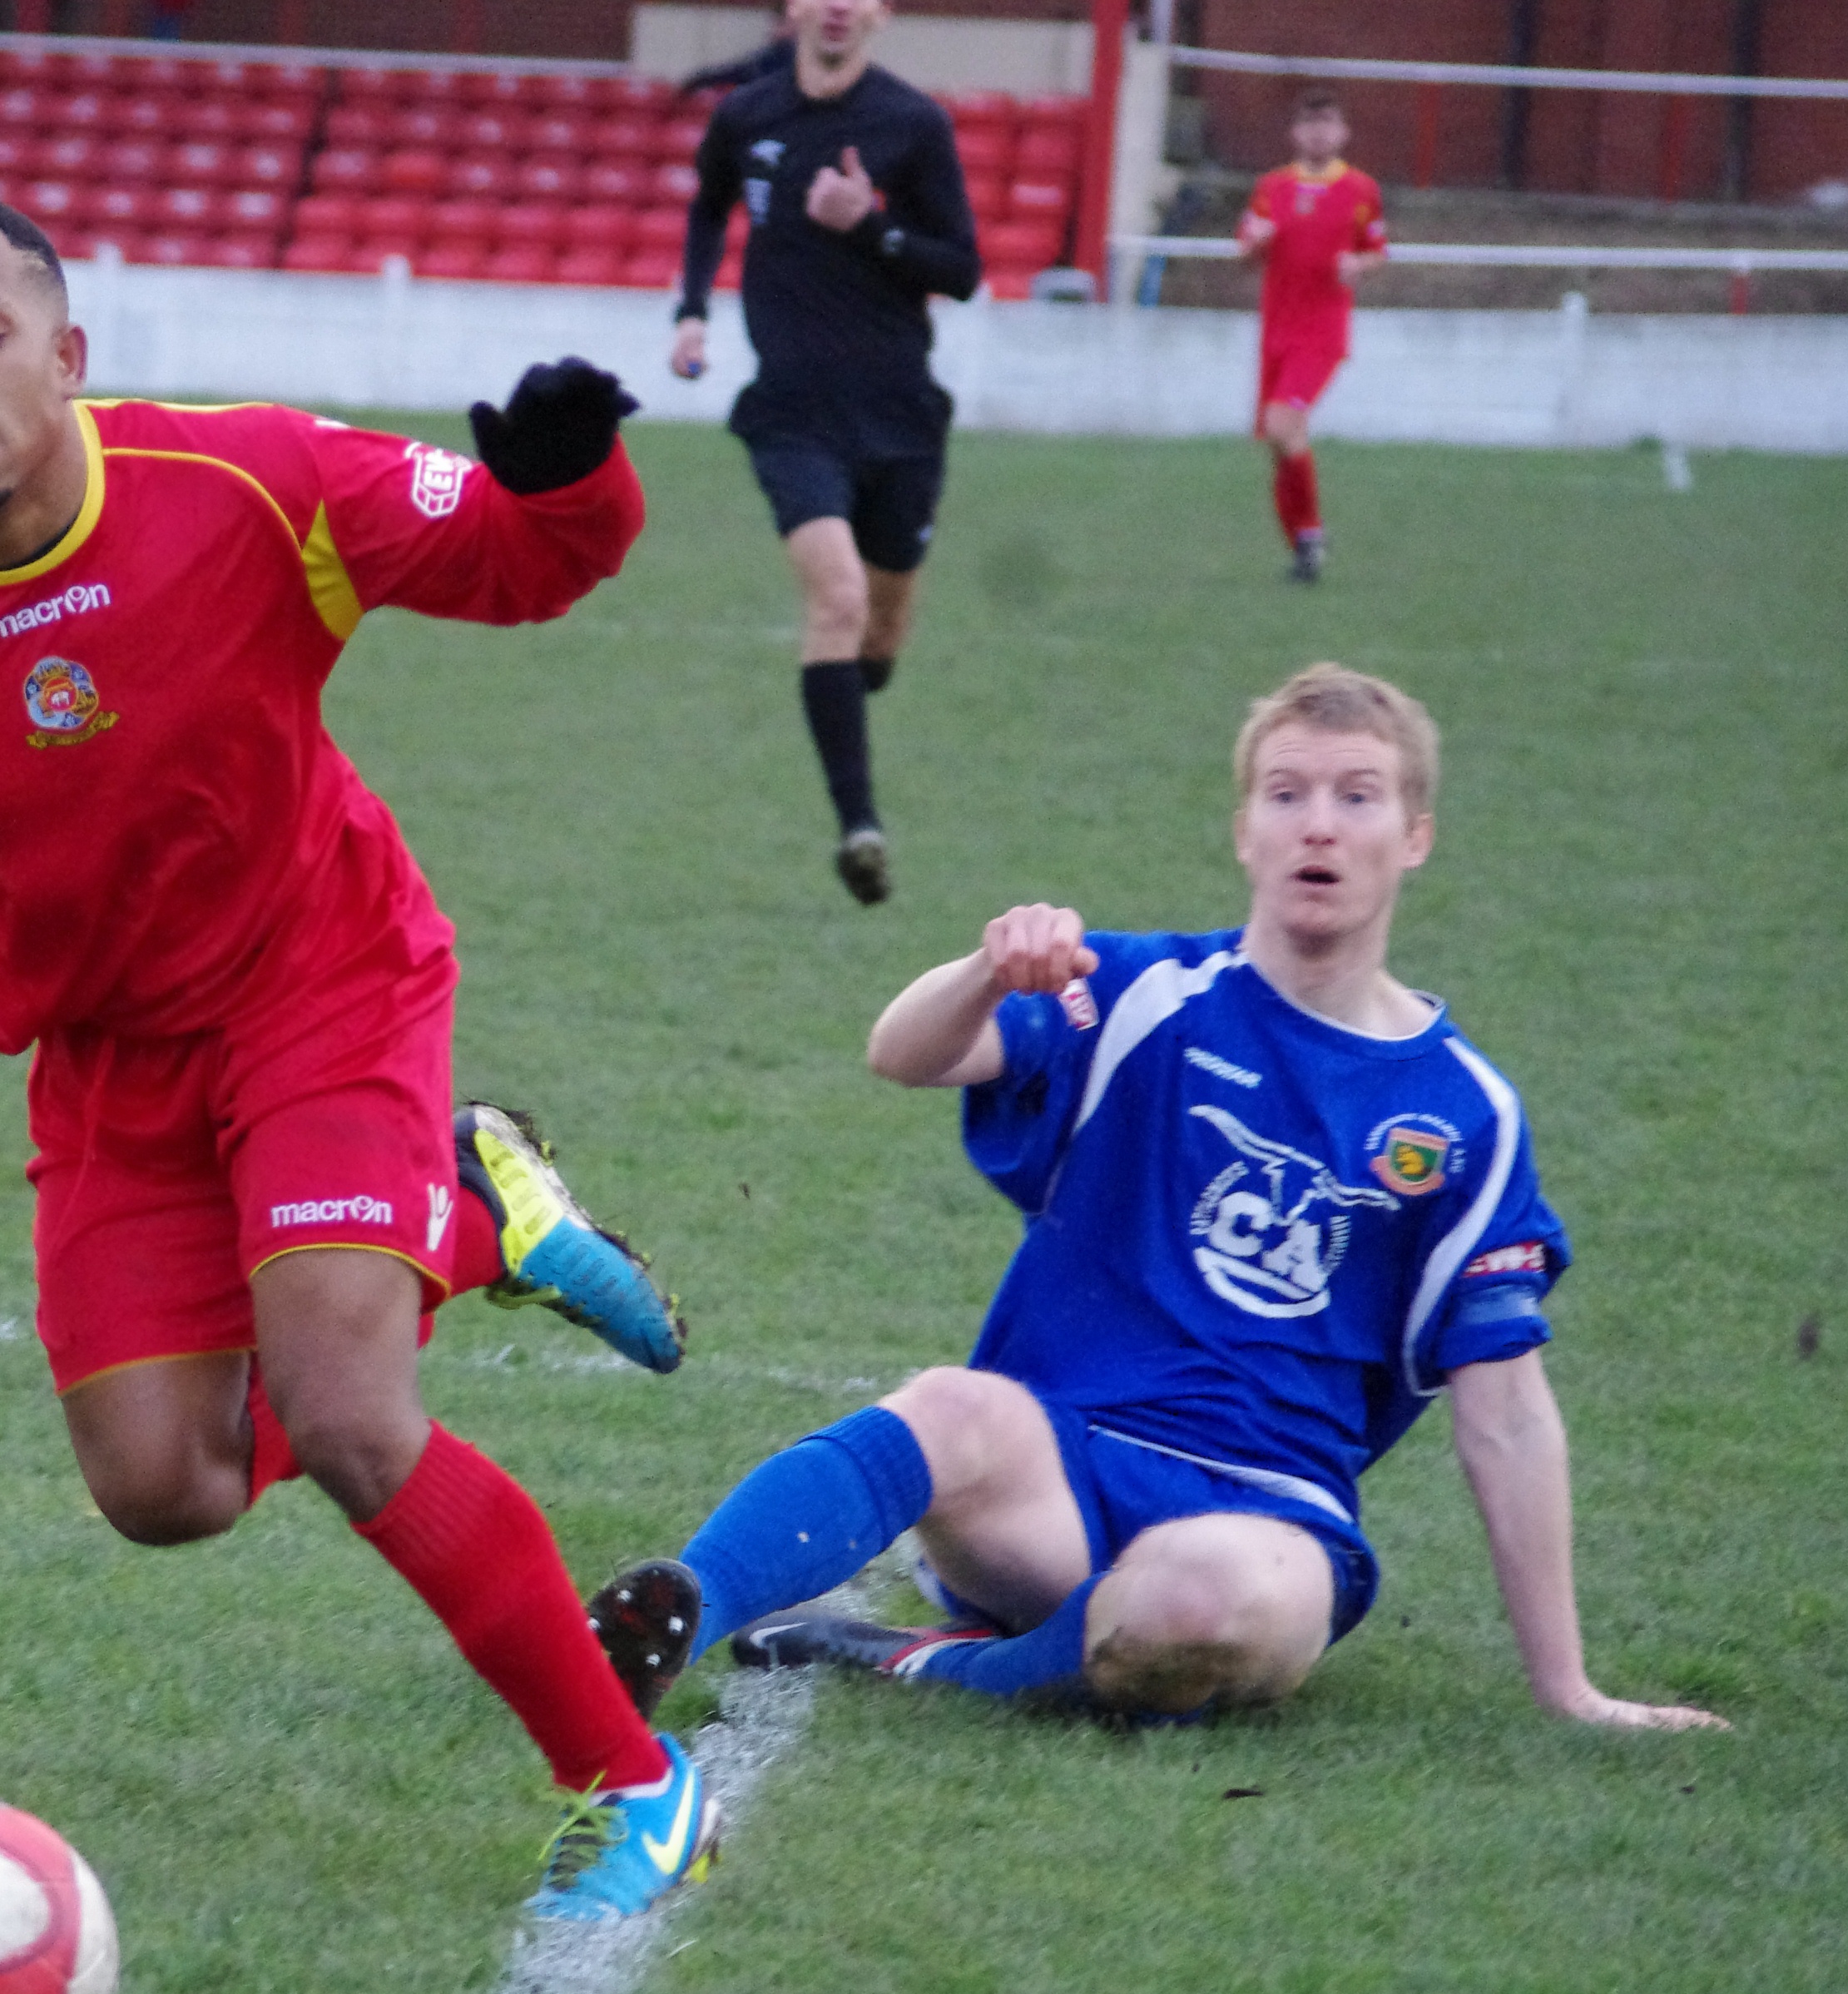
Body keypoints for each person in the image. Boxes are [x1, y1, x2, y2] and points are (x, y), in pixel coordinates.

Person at [0, 191, 716, 1920]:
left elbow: (511, 557)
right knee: (162, 1485)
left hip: (320, 976)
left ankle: (630, 1783)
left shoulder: (241, 482)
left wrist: (572, 482)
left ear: (68, 359)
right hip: (112, 1058)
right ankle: (480, 1213)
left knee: (345, 1414)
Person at [588, 663, 1727, 1737]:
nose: (1317, 822)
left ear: (1413, 837)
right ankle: (661, 1624)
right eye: (1285, 793)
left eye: (1357, 795)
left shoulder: (1466, 1112)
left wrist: (1570, 1689)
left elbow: (1509, 1413)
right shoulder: (1142, 992)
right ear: (1245, 832)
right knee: (948, 1406)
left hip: (1268, 1520)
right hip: (1057, 1470)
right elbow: (903, 1052)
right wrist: (990, 968)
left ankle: (908, 1656)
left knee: (1197, 1602)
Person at [670, 0, 980, 906]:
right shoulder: (746, 116)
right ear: (796, 10)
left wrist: (869, 224)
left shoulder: (912, 125)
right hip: (792, 413)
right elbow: (708, 206)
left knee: (880, 631)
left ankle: (858, 677)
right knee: (837, 598)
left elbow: (961, 270)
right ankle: (860, 826)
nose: (838, 6)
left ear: (881, 15)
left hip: (898, 416)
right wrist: (690, 311)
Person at [1236, 89, 1386, 583]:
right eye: (1310, 123)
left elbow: (1378, 251)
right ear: (1295, 133)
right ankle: (1303, 544)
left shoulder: (1361, 190)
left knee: (1283, 427)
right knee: (1283, 441)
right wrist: (1255, 244)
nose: (1320, 132)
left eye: (1329, 123)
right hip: (1276, 330)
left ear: (1343, 133)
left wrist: (1357, 263)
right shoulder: (1271, 188)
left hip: (1322, 332)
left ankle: (1311, 534)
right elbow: (1245, 248)